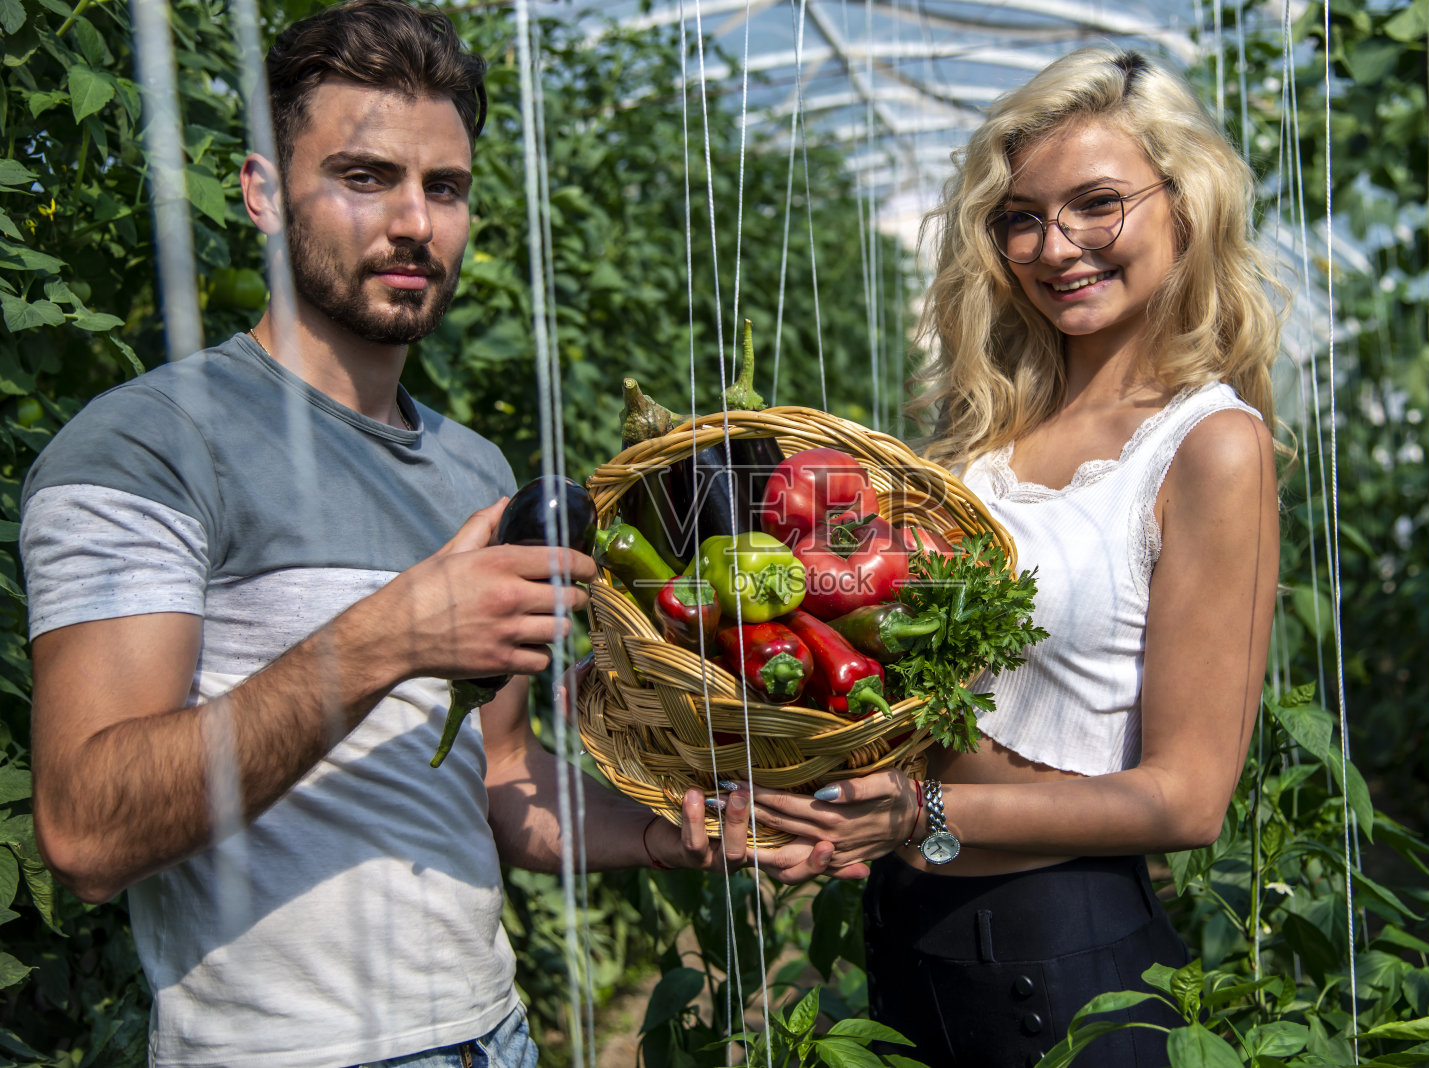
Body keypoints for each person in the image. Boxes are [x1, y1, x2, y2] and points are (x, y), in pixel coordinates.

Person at [19, 1, 840, 1064]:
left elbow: (498, 779)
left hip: (492, 1037)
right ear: (261, 193)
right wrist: (389, 637)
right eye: (364, 177)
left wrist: (669, 830)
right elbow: (86, 833)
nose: (414, 221)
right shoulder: (148, 445)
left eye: (443, 187)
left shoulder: (474, 472)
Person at [749, 48, 1284, 1067]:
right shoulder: (981, 442)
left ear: (1185, 206)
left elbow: (1187, 799)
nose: (1055, 246)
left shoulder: (1208, 445)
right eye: (1021, 217)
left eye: (1097, 204)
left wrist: (921, 812)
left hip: (1063, 956)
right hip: (908, 933)